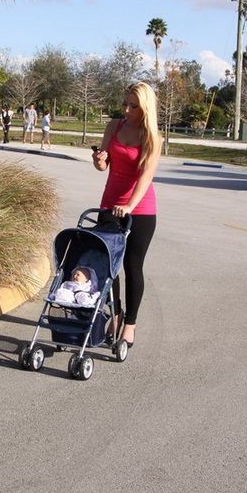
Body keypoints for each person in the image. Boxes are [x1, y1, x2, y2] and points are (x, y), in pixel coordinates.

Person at [92, 82, 160, 348]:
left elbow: (146, 177)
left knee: (133, 266)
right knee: (108, 267)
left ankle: (130, 324)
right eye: (126, 103)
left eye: (133, 106)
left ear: (145, 108)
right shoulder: (114, 127)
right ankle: (116, 315)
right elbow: (104, 164)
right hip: (109, 204)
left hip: (140, 210)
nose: (127, 109)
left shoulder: (152, 136)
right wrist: (99, 161)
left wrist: (130, 205)